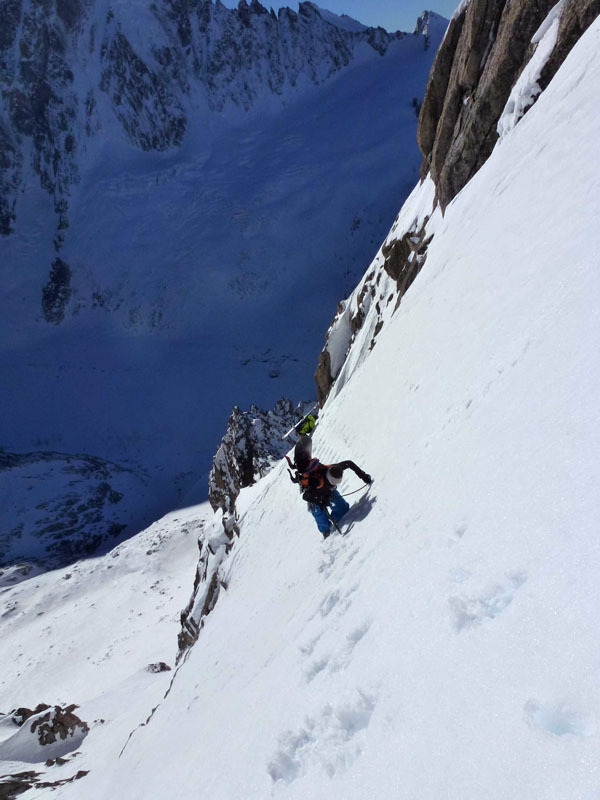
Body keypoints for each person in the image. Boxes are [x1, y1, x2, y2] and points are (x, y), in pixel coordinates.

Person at [286, 436, 372, 538]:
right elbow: (306, 496)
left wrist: (363, 475)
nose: (334, 485)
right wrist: (319, 501)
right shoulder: (315, 482)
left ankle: (336, 520)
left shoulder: (333, 469)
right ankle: (326, 532)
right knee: (319, 513)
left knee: (343, 509)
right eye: (332, 483)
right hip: (316, 496)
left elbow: (349, 463)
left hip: (328, 492)